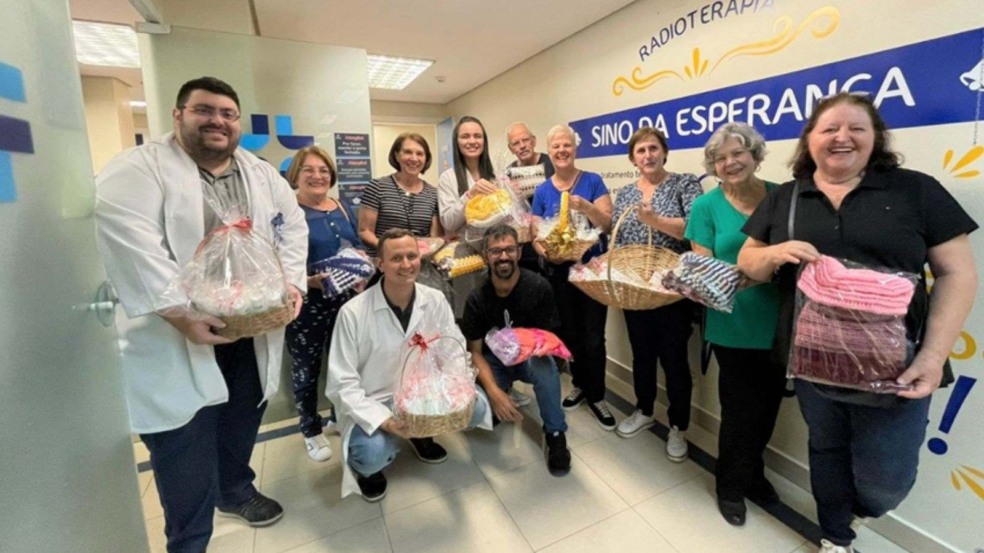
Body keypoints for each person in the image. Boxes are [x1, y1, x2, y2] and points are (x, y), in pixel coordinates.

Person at [737, 92, 978, 553]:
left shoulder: (915, 190)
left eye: (856, 128)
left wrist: (933, 355)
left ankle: (859, 511)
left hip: (897, 367)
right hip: (812, 361)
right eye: (829, 129)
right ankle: (835, 536)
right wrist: (771, 253)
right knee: (826, 449)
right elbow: (749, 261)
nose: (841, 137)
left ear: (875, 138)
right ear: (810, 139)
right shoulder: (788, 197)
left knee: (888, 478)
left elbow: (958, 273)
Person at [94, 76, 307, 552]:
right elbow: (129, 243)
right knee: (183, 449)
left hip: (250, 329)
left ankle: (235, 490)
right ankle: (189, 540)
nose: (217, 121)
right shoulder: (139, 169)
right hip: (174, 338)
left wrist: (291, 282)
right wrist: (179, 311)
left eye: (228, 114)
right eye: (204, 110)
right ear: (178, 115)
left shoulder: (259, 173)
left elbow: (291, 226)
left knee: (240, 421)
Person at [326, 228, 493, 502]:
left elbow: (452, 350)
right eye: (396, 258)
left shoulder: (434, 299)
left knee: (477, 407)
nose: (406, 265)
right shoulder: (353, 313)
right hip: (375, 400)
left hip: (420, 395)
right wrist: (387, 422)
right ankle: (369, 471)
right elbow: (341, 383)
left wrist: (457, 391)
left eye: (412, 256)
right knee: (372, 453)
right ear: (380, 264)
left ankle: (421, 434)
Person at [685, 123, 783, 526]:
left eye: (737, 154)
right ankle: (731, 485)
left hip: (780, 322)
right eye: (720, 158)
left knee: (769, 409)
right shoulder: (705, 207)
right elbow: (702, 270)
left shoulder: (781, 195)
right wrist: (755, 272)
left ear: (755, 155)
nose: (729, 163)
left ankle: (754, 473)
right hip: (733, 323)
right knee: (740, 411)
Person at [609, 127, 702, 463]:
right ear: (632, 158)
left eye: (652, 148)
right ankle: (644, 409)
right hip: (635, 289)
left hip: (672, 291)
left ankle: (678, 426)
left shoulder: (684, 183)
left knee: (674, 360)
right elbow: (617, 237)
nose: (647, 155)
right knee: (641, 355)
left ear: (664, 151)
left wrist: (656, 219)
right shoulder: (625, 193)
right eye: (640, 151)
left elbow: (695, 228)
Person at [460, 224, 571, 476]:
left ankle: (555, 433)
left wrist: (539, 349)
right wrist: (494, 392)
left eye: (509, 249)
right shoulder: (476, 298)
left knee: (545, 368)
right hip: (494, 360)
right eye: (496, 251)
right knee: (479, 410)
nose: (503, 256)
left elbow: (549, 338)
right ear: (486, 255)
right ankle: (502, 393)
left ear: (519, 253)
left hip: (530, 357)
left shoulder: (539, 287)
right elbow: (475, 352)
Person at [531, 124, 615, 430]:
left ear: (574, 148)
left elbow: (607, 224)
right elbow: (536, 235)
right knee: (570, 334)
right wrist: (546, 253)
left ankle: (598, 396)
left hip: (591, 274)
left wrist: (587, 207)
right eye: (556, 147)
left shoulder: (592, 181)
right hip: (559, 274)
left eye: (566, 145)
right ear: (549, 151)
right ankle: (579, 384)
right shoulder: (542, 190)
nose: (562, 151)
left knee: (594, 337)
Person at [283, 146, 363, 462]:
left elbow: (356, 243)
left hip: (345, 299)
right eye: (309, 170)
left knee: (343, 363)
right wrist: (307, 279)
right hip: (306, 305)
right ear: (296, 175)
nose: (318, 176)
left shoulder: (342, 206)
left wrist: (360, 268)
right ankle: (310, 429)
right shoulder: (288, 211)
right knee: (307, 368)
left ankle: (338, 416)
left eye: (324, 170)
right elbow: (276, 261)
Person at [357, 133, 441, 256]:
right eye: (407, 152)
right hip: (384, 263)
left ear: (426, 159)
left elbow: (434, 238)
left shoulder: (433, 194)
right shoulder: (377, 187)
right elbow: (365, 231)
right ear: (396, 155)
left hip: (419, 264)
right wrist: (392, 251)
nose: (414, 158)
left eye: (420, 154)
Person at [505, 122, 554, 274]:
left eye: (525, 140)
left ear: (533, 141)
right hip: (523, 246)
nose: (522, 146)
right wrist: (511, 195)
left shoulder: (552, 163)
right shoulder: (508, 174)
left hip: (549, 242)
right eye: (516, 143)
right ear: (511, 149)